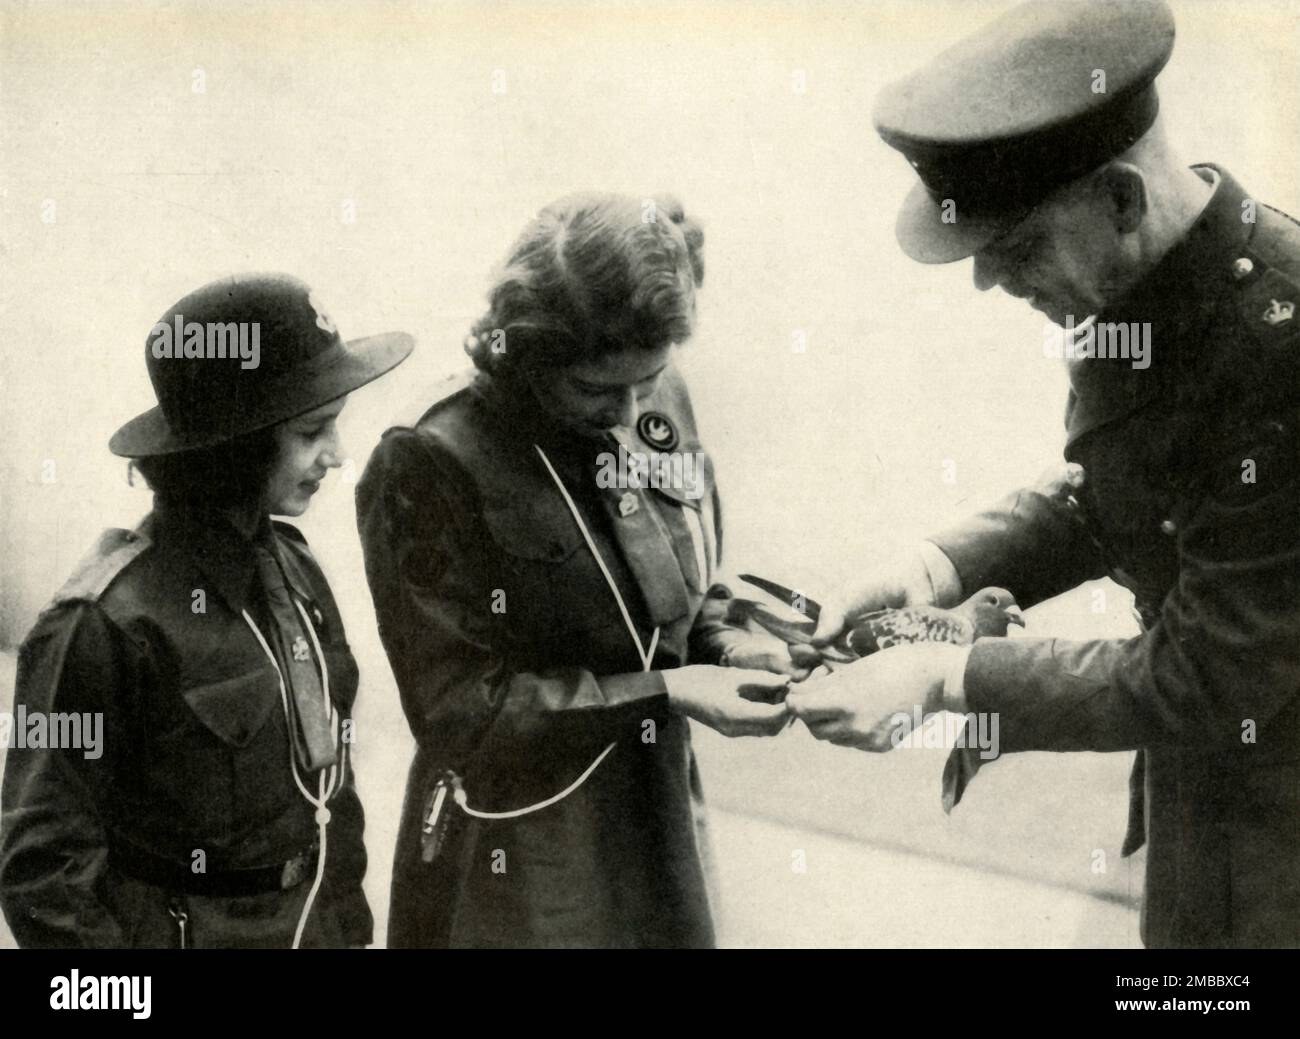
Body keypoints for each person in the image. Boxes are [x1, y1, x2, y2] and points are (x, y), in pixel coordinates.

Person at [787, 0, 1300, 948]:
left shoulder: (1283, 345)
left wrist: (948, 678)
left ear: (1120, 198)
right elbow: (1125, 489)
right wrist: (936, 567)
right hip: (1213, 808)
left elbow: (1207, 668)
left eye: (1015, 248)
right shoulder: (1145, 280)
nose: (990, 283)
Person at [357, 192, 808, 948]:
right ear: (527, 352)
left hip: (656, 817)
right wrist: (668, 690)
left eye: (649, 380)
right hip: (519, 849)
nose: (631, 412)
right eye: (598, 390)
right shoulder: (432, 458)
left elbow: (673, 594)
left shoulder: (653, 388)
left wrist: (727, 643)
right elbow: (461, 710)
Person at [0, 272, 413, 948]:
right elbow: (45, 874)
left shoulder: (296, 569)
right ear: (237, 446)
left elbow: (328, 792)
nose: (337, 457)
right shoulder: (102, 625)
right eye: (314, 432)